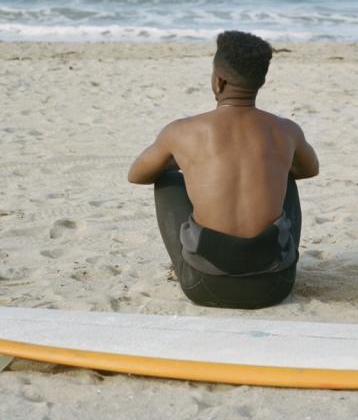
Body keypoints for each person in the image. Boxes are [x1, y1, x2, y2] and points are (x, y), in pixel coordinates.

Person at [128, 31, 319, 309]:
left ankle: (191, 260)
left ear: (218, 81)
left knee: (166, 179)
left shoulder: (182, 131)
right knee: (287, 176)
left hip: (203, 287)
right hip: (275, 287)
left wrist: (188, 163)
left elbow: (137, 175)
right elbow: (309, 169)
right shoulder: (286, 131)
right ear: (261, 82)